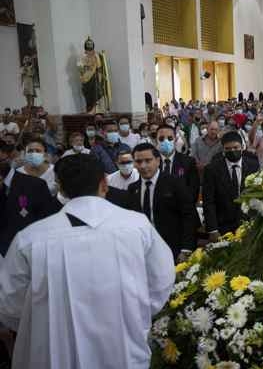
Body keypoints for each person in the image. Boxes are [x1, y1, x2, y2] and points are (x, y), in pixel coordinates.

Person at [0, 154, 174, 368]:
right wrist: (135, 310)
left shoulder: (31, 239)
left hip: (55, 350)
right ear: (104, 182)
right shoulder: (137, 227)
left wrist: (44, 320)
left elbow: (10, 302)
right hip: (122, 344)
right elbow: (162, 279)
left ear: (61, 188)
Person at [128, 143, 198, 261]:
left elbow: (189, 215)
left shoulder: (175, 183)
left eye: (148, 160)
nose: (143, 166)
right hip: (144, 251)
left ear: (158, 161)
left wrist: (186, 249)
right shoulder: (132, 189)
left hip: (173, 249)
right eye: (139, 162)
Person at [0, 141, 59, 256]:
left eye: (38, 151)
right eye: (30, 151)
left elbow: (47, 223)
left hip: (29, 254)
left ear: (6, 154)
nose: (34, 153)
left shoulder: (36, 185)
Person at [202, 131, 260, 242]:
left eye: (235, 147)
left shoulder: (253, 165)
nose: (232, 151)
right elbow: (209, 201)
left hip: (248, 223)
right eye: (228, 149)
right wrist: (213, 230)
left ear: (242, 147)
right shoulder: (212, 169)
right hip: (222, 226)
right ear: (223, 150)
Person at [155, 124, 200, 202]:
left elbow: (193, 190)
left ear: (175, 139)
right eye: (161, 138)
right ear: (156, 140)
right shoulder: (151, 162)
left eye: (170, 138)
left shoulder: (188, 162)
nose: (166, 141)